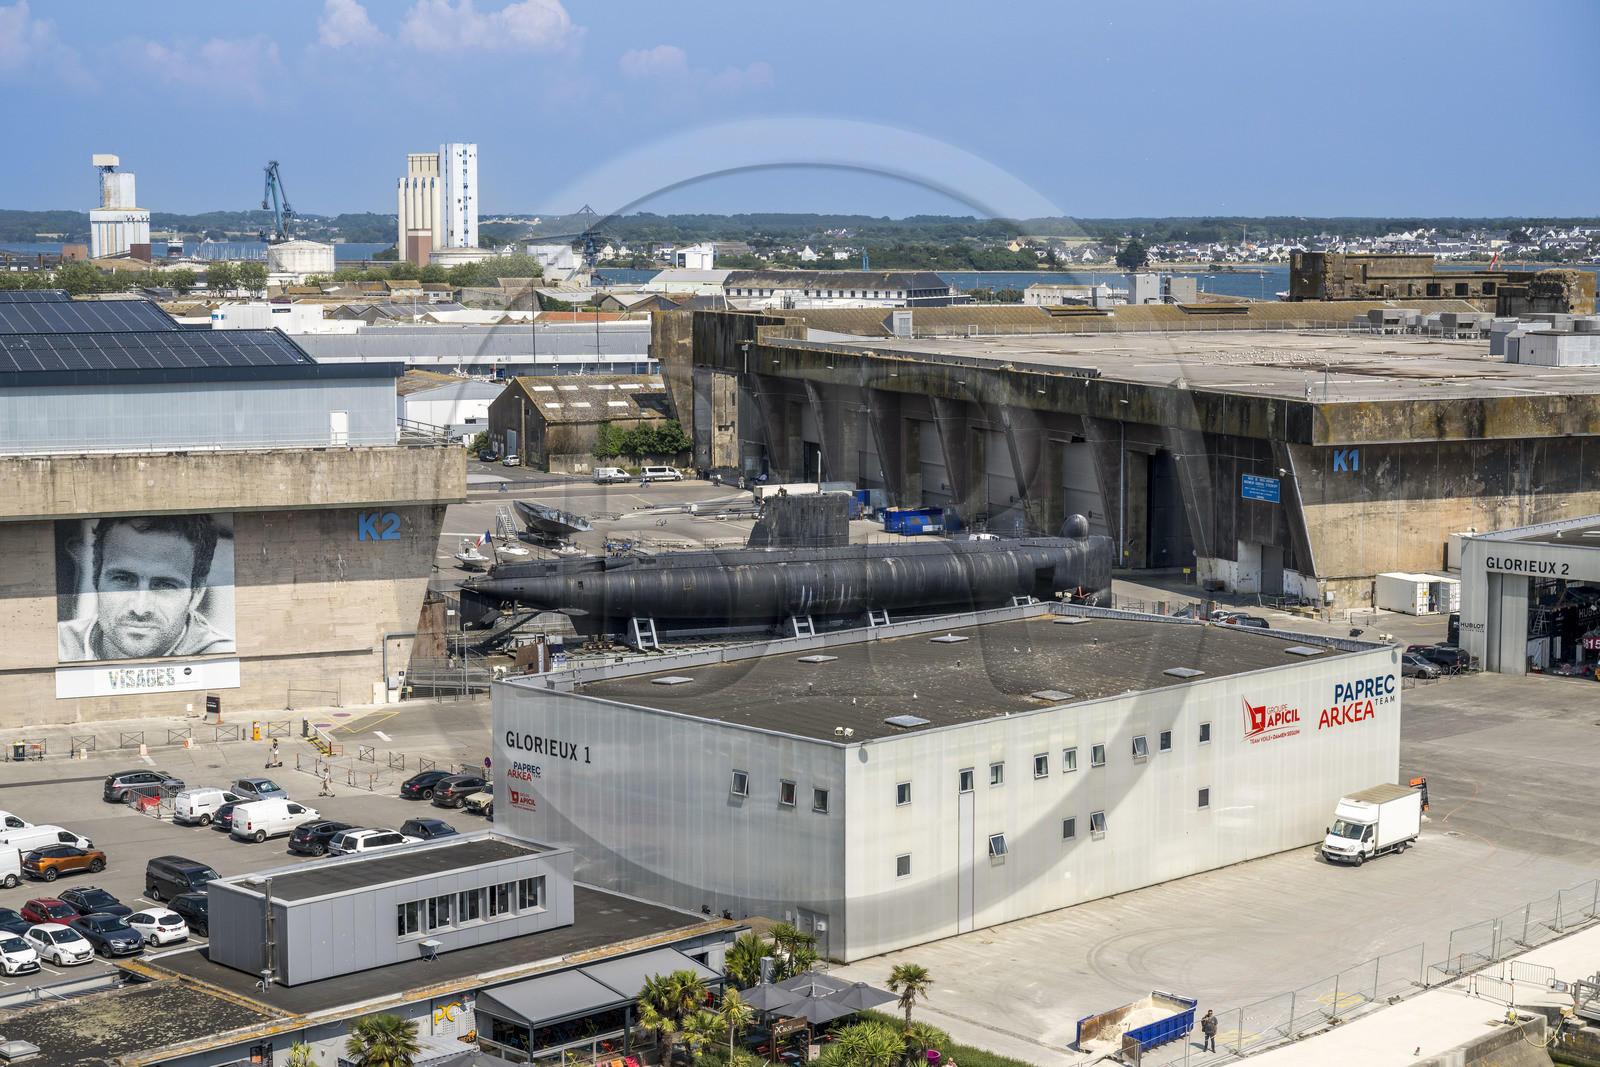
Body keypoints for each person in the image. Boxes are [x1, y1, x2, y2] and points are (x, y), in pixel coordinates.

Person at [58, 515, 231, 663]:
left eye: (164, 585)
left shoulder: (223, 662)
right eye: (123, 579)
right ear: (96, 578)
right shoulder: (56, 648)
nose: (140, 609)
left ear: (197, 593)